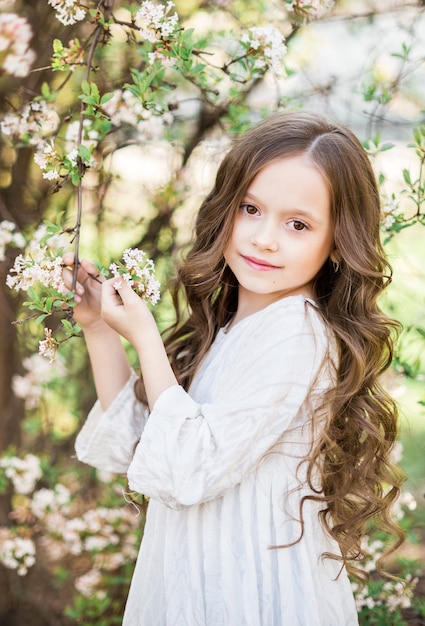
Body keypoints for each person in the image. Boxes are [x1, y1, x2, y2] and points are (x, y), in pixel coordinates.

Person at [64, 110, 404, 626]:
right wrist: (99, 329)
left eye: (298, 224)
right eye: (250, 209)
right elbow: (142, 438)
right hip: (198, 572)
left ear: (337, 242)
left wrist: (146, 337)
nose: (265, 238)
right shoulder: (234, 323)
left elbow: (187, 465)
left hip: (249, 586)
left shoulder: (297, 333)